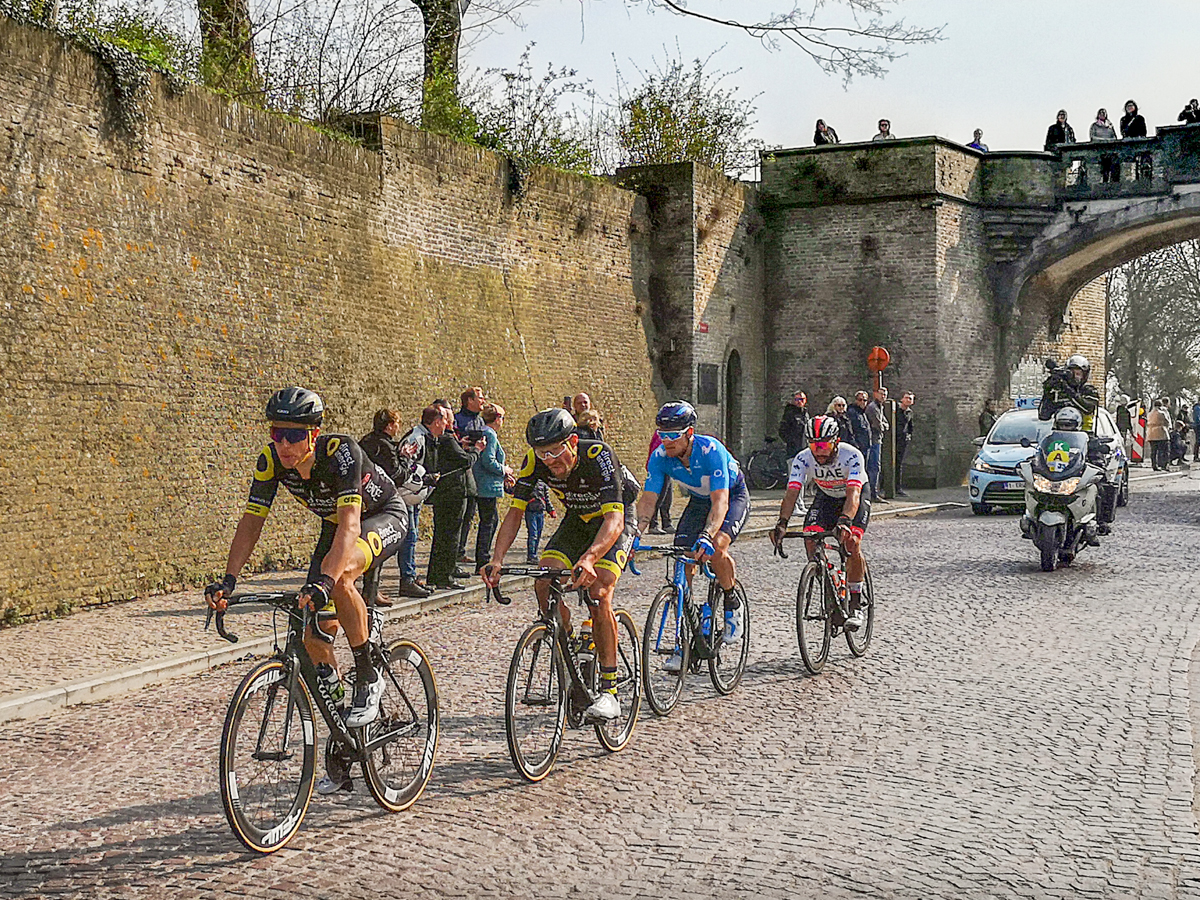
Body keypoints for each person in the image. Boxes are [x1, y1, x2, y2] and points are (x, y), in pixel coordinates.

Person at [204, 387, 409, 732]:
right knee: (314, 637)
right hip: (337, 527)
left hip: (381, 516)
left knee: (340, 578)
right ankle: (344, 731)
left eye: (294, 436)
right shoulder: (272, 463)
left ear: (313, 435)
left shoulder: (341, 453)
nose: (284, 444)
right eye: (277, 434)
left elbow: (350, 525)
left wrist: (326, 582)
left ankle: (367, 673)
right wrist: (229, 579)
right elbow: (252, 522)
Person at [483, 408, 639, 721]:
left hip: (615, 520)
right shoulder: (534, 462)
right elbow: (515, 513)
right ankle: (564, 640)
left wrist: (591, 557)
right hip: (577, 521)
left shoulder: (598, 456)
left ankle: (610, 693)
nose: (551, 461)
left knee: (599, 593)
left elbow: (615, 519)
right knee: (543, 580)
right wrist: (496, 558)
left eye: (556, 452)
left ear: (572, 441)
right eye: (543, 454)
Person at [636, 401, 751, 669]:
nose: (667, 441)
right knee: (682, 561)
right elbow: (649, 500)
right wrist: (636, 532)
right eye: (662, 435)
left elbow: (721, 503)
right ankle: (685, 641)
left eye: (673, 435)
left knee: (717, 548)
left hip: (732, 496)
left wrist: (708, 534)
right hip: (699, 502)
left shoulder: (711, 450)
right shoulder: (660, 457)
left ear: (689, 433)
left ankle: (732, 601)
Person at [769, 415, 870, 631]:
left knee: (851, 541)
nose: (818, 451)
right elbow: (792, 493)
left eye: (823, 445)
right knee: (810, 536)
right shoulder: (803, 458)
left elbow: (853, 495)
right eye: (813, 445)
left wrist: (844, 521)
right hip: (826, 497)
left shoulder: (851, 455)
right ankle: (826, 581)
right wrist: (782, 523)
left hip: (854, 498)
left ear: (836, 441)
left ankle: (855, 602)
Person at [358, 407, 412, 606]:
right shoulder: (386, 447)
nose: (398, 427)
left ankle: (367, 591)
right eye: (396, 423)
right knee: (376, 548)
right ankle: (370, 593)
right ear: (390, 426)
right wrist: (404, 457)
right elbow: (398, 475)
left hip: (361, 499)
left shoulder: (365, 441)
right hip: (380, 502)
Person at [428, 406, 481, 590]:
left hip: (445, 492)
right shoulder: (447, 439)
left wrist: (462, 446)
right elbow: (465, 461)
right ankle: (446, 576)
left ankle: (435, 574)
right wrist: (477, 450)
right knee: (450, 536)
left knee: (442, 536)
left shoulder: (445, 440)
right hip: (453, 492)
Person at [473, 403, 513, 572]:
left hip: (484, 484)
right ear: (497, 418)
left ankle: (483, 557)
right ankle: (482, 560)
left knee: (490, 520)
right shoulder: (490, 434)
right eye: (502, 417)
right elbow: (488, 460)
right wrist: (504, 469)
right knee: (489, 522)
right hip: (486, 485)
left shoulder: (485, 432)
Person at [455, 387, 487, 567]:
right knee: (461, 515)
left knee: (470, 515)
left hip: (477, 474)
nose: (483, 401)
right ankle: (456, 552)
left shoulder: (481, 420)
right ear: (470, 400)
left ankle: (461, 550)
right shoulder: (458, 420)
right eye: (480, 398)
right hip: (463, 471)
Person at [645, 431, 674, 534]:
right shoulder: (661, 435)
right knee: (659, 497)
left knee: (668, 498)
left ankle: (667, 523)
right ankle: (653, 525)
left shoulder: (667, 433)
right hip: (659, 468)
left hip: (667, 469)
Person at [864, 386, 889, 502]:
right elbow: (878, 425)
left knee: (875, 467)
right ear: (876, 394)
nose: (883, 396)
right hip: (873, 440)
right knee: (874, 467)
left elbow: (885, 423)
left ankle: (873, 492)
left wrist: (884, 425)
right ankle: (872, 493)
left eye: (885, 394)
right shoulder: (873, 408)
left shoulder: (880, 407)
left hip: (877, 439)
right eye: (881, 394)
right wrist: (884, 426)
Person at [522, 479, 555, 563]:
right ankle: (531, 556)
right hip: (530, 511)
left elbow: (546, 498)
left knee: (538, 534)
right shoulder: (527, 482)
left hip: (540, 511)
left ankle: (534, 555)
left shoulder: (543, 483)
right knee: (533, 534)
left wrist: (551, 510)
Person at [1090, 109, 1119, 184]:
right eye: (1100, 113)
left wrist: (1110, 141)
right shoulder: (1094, 126)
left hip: (1110, 150)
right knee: (1103, 168)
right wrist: (1103, 140)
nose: (1102, 114)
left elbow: (1114, 137)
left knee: (1113, 166)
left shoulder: (1110, 125)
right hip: (1099, 150)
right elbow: (1092, 137)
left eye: (1104, 113)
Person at [779, 390, 810, 458]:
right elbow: (782, 430)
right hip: (793, 451)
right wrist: (791, 442)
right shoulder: (789, 413)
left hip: (804, 449)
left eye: (801, 399)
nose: (799, 401)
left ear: (805, 401)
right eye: (797, 399)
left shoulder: (805, 414)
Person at [895, 391, 914, 496]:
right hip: (893, 440)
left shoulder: (909, 413)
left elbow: (910, 426)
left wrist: (909, 435)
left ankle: (898, 487)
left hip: (902, 441)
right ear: (902, 399)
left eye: (910, 399)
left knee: (899, 464)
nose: (908, 400)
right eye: (906, 398)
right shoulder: (895, 410)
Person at [1146, 399, 1171, 471]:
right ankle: (1164, 465)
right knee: (1164, 450)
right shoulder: (1162, 413)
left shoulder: (1149, 414)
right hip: (1161, 432)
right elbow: (1167, 422)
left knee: (1153, 451)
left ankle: (1154, 465)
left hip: (1151, 433)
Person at [845, 390, 872, 457]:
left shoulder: (862, 413)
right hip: (858, 447)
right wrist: (856, 446)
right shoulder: (852, 412)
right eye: (860, 400)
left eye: (865, 400)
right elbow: (851, 430)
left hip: (865, 445)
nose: (863, 402)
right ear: (856, 400)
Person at [1191, 398, 1200, 462]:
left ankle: (1196, 456)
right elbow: (1197, 418)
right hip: (1198, 426)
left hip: (1197, 425)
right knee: (1198, 440)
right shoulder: (1197, 408)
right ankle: (1196, 456)